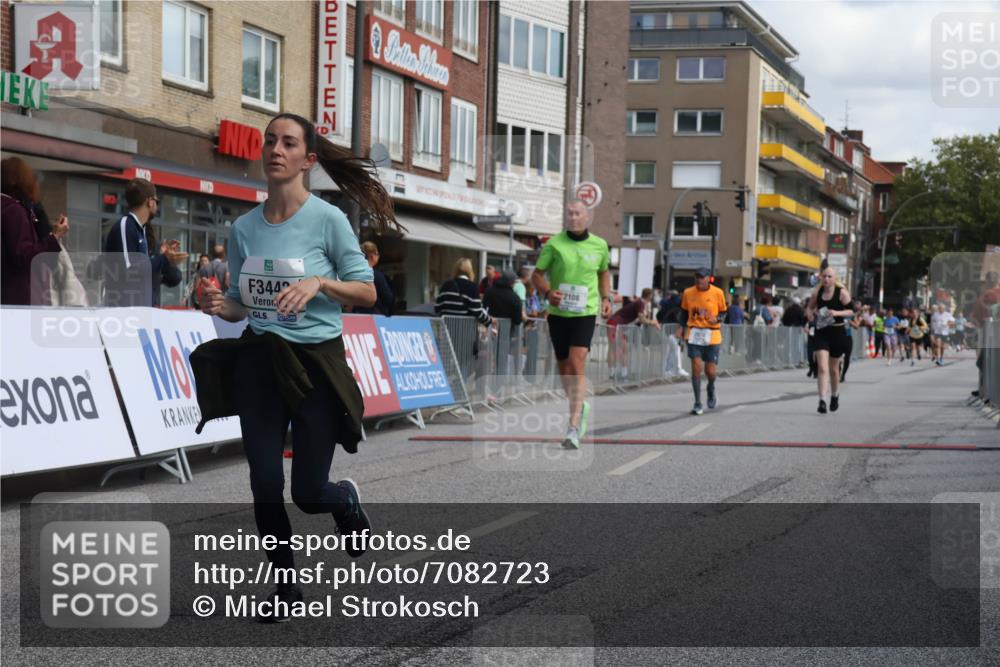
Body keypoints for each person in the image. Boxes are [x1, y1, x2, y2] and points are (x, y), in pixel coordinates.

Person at [191, 113, 398, 622]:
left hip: (314, 366)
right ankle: (285, 592)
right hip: (260, 360)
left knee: (307, 493)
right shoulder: (243, 229)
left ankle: (343, 500)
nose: (275, 150)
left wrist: (321, 284)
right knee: (264, 482)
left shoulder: (327, 221)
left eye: (288, 143)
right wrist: (222, 305)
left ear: (308, 160)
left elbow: (369, 292)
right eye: (269, 142)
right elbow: (243, 302)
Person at [531, 200, 611, 449]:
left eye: (577, 213)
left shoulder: (599, 245)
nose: (573, 217)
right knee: (564, 369)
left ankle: (573, 426)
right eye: (569, 213)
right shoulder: (554, 244)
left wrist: (606, 298)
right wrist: (547, 292)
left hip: (585, 312)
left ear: (587, 217)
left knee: (577, 363)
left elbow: (603, 273)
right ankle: (580, 405)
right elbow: (536, 274)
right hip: (558, 313)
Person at [103, 178, 186, 306]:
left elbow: (142, 268)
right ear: (150, 202)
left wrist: (160, 254)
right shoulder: (126, 225)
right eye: (156, 201)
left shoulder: (140, 229)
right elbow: (130, 269)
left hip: (140, 309)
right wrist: (164, 259)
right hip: (126, 310)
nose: (157, 205)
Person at [1, 157, 70, 305]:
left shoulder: (7, 207)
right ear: (18, 180)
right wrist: (54, 236)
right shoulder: (14, 211)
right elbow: (25, 256)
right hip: (19, 299)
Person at [679, 267, 728, 415]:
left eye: (702, 277)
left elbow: (724, 313)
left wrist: (717, 319)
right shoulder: (688, 293)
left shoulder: (717, 292)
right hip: (694, 334)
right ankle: (697, 402)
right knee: (696, 366)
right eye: (697, 277)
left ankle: (711, 388)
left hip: (712, 334)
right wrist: (681, 328)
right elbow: (684, 313)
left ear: (708, 278)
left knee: (710, 371)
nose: (699, 280)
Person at [805, 267, 853, 414]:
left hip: (837, 332)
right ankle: (822, 400)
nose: (826, 279)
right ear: (821, 278)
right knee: (822, 367)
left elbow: (851, 311)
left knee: (833, 369)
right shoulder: (817, 293)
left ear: (835, 278)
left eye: (829, 276)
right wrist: (810, 316)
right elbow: (809, 308)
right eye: (824, 276)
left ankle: (835, 395)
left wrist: (837, 312)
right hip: (822, 332)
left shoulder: (841, 293)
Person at [607, 287, 660, 381]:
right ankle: (621, 374)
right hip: (615, 324)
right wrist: (654, 322)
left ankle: (615, 373)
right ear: (649, 296)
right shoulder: (640, 303)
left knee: (616, 348)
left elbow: (641, 318)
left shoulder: (640, 303)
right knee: (622, 348)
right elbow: (642, 319)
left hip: (614, 323)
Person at [352, 241, 394, 315]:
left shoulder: (354, 273)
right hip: (375, 315)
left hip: (356, 315)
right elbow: (388, 298)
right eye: (377, 254)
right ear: (372, 256)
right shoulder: (377, 275)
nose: (378, 256)